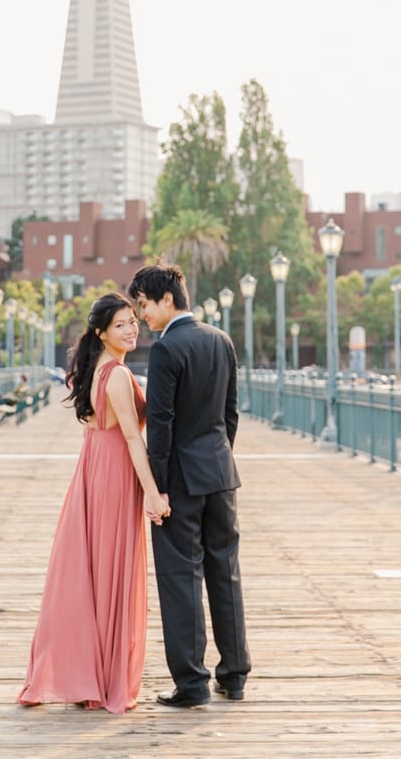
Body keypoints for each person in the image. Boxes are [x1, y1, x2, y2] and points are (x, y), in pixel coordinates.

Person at [17, 294, 169, 713]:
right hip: (114, 473)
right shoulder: (118, 375)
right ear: (102, 332)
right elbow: (133, 440)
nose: (131, 329)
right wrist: (152, 493)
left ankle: (90, 674)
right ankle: (104, 678)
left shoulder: (91, 371)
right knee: (110, 570)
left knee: (94, 571)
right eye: (121, 324)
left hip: (93, 469)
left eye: (133, 322)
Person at [128, 263, 251, 708]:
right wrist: (218, 458)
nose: (142, 315)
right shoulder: (221, 340)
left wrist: (155, 490)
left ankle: (192, 683)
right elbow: (231, 413)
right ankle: (234, 675)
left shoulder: (166, 349)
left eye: (143, 304)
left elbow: (160, 425)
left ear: (166, 298)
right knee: (225, 571)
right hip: (220, 474)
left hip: (180, 480)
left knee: (181, 577)